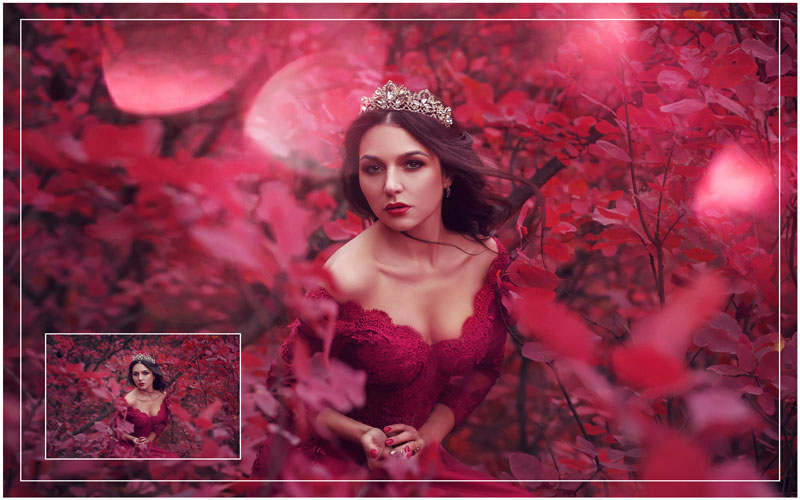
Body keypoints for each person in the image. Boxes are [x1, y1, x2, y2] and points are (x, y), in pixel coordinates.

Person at [253, 81, 529, 494]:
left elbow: (484, 370)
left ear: (448, 172)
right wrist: (360, 433)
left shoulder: (488, 259)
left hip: (413, 463)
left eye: (412, 164)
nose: (391, 186)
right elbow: (288, 388)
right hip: (326, 468)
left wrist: (429, 436)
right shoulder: (345, 277)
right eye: (373, 168)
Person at [109, 353, 178, 458]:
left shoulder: (163, 396)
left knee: (174, 460)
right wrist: (133, 439)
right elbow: (114, 429)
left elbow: (162, 423)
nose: (140, 378)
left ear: (153, 375)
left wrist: (149, 440)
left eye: (145, 373)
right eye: (135, 374)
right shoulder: (128, 400)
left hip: (147, 447)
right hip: (125, 449)